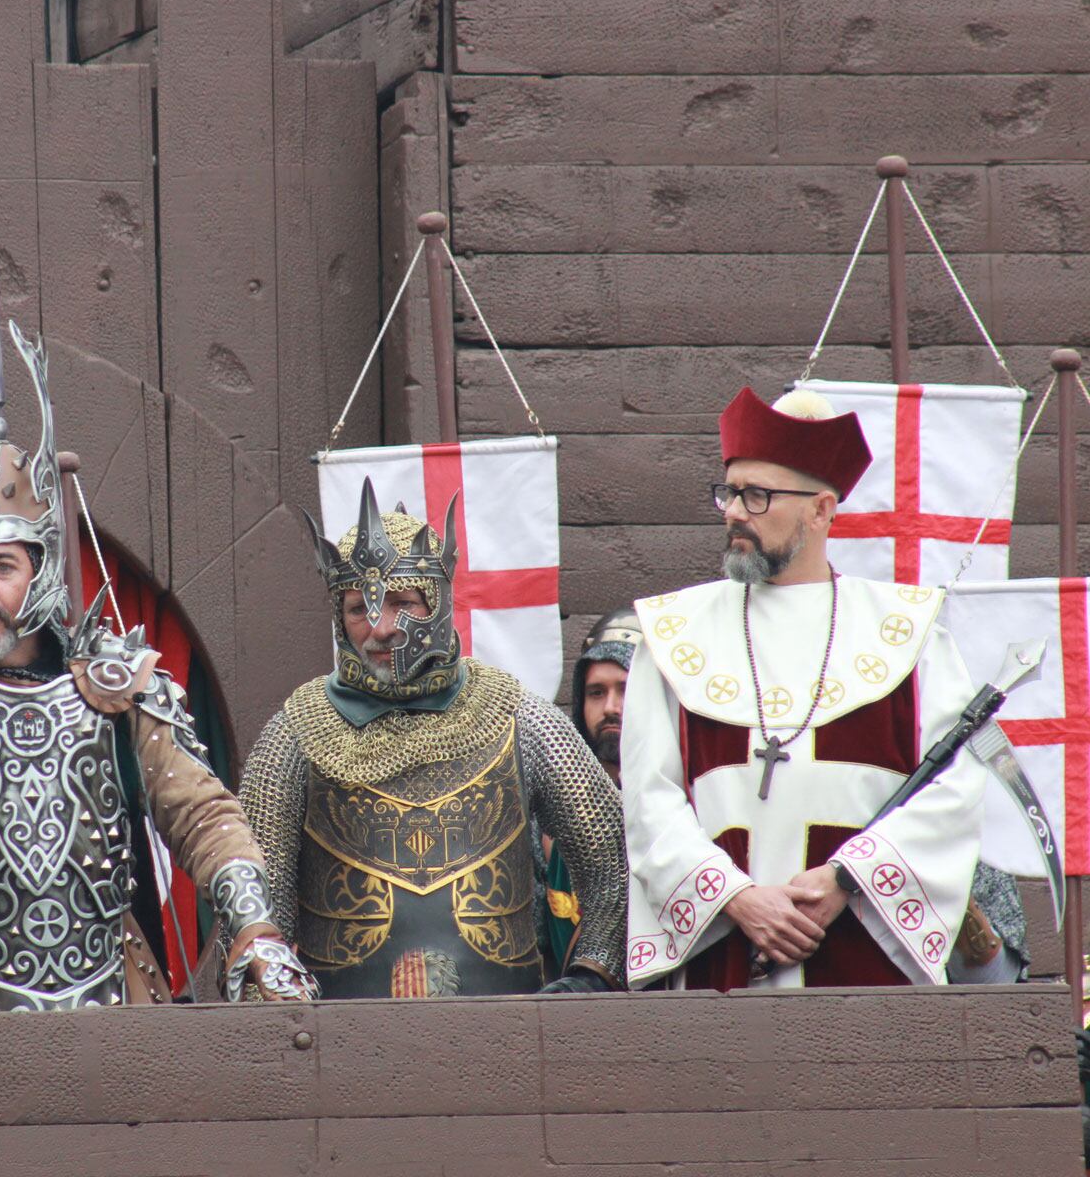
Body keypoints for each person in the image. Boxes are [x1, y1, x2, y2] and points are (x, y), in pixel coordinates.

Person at [0, 269, 314, 1012]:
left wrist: (255, 929)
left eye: (1, 566)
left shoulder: (117, 687)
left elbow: (202, 813)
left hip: (116, 1006)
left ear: (43, 570)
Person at [623, 386, 989, 989]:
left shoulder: (910, 632)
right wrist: (736, 897)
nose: (735, 511)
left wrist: (847, 879)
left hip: (864, 960)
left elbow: (954, 788)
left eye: (758, 495)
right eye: (729, 492)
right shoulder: (671, 632)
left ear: (821, 511)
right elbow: (648, 799)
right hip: (726, 957)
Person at [237, 480, 628, 998]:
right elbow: (255, 904)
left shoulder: (518, 716)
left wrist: (591, 975)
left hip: (508, 1033)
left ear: (438, 603)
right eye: (359, 609)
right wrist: (275, 1003)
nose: (379, 628)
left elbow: (609, 861)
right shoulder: (297, 733)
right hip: (335, 1045)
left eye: (401, 603)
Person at [543, 609, 639, 977]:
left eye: (626, 690)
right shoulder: (551, 813)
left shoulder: (692, 803)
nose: (611, 708)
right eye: (596, 693)